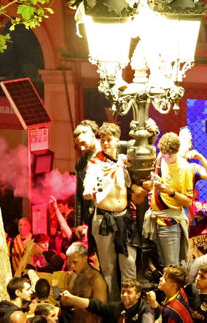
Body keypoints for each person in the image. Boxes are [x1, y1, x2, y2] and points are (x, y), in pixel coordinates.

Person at [143, 128, 207, 266]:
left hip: (176, 216)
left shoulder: (190, 167)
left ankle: (202, 264)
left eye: (187, 142)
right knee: (159, 260)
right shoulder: (161, 158)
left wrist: (200, 156)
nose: (185, 145)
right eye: (182, 140)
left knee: (176, 262)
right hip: (157, 215)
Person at [83, 123, 135, 301]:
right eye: (102, 140)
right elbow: (88, 182)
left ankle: (132, 307)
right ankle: (114, 310)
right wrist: (88, 191)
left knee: (129, 264)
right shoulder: (95, 164)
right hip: (104, 220)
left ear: (117, 141)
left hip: (124, 219)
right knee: (109, 268)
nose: (105, 143)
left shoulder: (123, 161)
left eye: (109, 139)